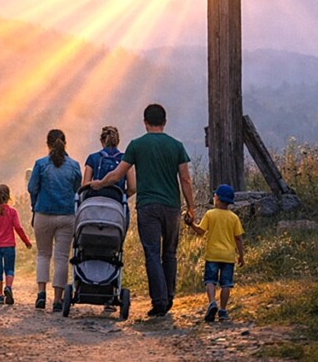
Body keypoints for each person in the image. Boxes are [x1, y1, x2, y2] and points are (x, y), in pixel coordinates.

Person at [90, 103, 196, 317]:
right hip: (172, 207)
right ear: (165, 122)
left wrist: (99, 184)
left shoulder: (137, 145)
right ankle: (169, 296)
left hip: (148, 206)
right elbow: (185, 179)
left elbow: (117, 175)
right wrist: (191, 207)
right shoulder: (176, 146)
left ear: (145, 122)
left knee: (152, 253)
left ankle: (159, 301)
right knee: (170, 253)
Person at [27, 129, 82, 311]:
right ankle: (58, 300)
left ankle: (41, 294)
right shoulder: (74, 165)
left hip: (43, 213)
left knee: (43, 254)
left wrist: (35, 206)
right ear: (65, 143)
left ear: (47, 144)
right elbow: (78, 190)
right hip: (66, 215)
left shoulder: (40, 164)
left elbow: (32, 188)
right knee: (62, 257)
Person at [185, 184, 245, 322]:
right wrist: (241, 256)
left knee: (210, 281)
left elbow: (200, 231)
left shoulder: (210, 214)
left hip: (212, 255)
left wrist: (191, 224)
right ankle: (223, 310)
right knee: (226, 284)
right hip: (228, 256)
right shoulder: (234, 218)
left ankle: (212, 302)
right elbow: (238, 239)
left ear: (216, 198)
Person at [0, 183, 32, 305]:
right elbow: (18, 228)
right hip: (9, 246)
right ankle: (8, 287)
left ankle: (0, 295)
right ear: (8, 196)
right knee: (9, 269)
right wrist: (26, 241)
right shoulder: (12, 212)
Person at [83, 126, 126, 192]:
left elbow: (85, 185)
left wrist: (98, 184)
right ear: (118, 141)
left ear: (101, 141)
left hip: (96, 196)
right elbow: (132, 188)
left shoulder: (92, 157)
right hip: (116, 197)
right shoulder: (125, 158)